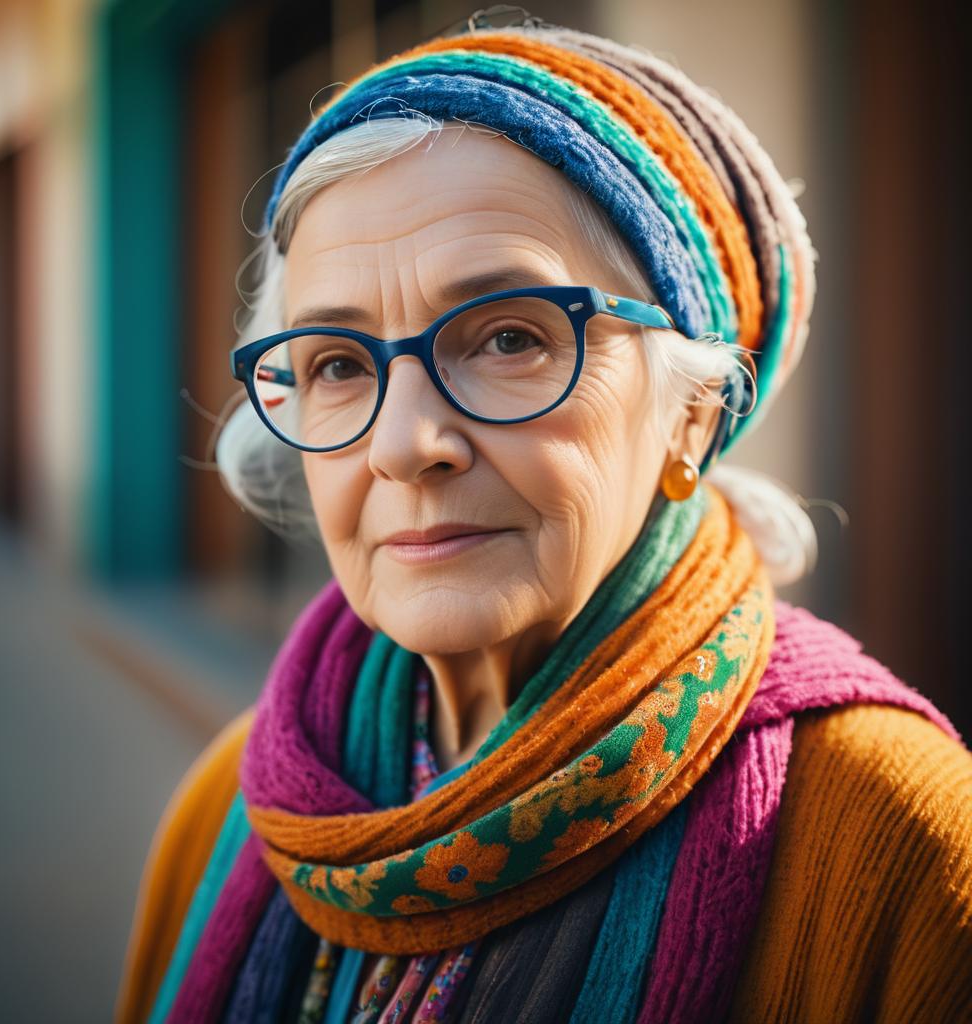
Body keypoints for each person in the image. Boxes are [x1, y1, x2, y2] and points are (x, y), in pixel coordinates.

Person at [116, 14, 972, 1024]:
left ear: (691, 412)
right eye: (338, 366)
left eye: (510, 338)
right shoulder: (232, 806)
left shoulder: (896, 832)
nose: (404, 442)